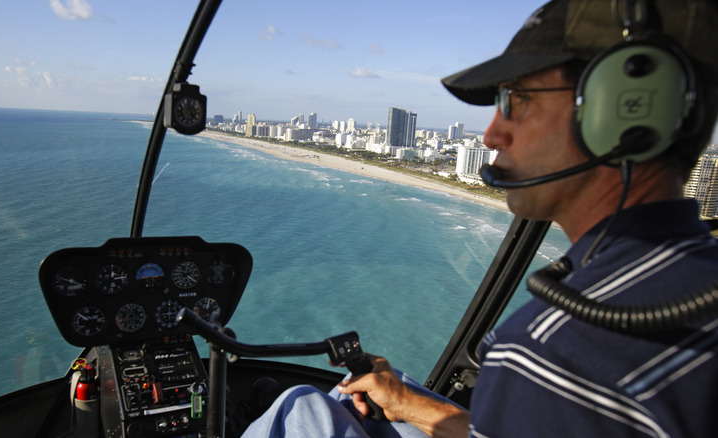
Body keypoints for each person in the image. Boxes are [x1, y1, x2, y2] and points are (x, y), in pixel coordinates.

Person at [242, 0, 718, 436]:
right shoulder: (689, 280)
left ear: (625, 108)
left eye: (516, 99)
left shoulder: (556, 348)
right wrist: (409, 403)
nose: (491, 135)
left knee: (302, 410)